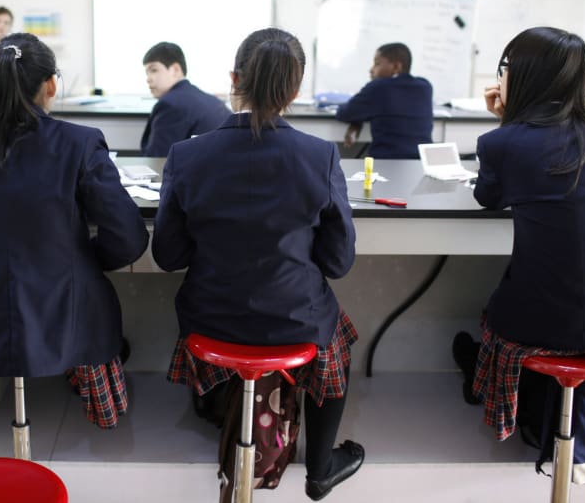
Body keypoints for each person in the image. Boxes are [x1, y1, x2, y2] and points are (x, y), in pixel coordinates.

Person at [153, 28, 364, 501]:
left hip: (209, 318)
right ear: (294, 91)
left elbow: (168, 257)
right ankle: (321, 466)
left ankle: (222, 412)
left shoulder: (187, 156)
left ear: (233, 79)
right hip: (292, 319)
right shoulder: (320, 156)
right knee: (339, 338)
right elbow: (338, 261)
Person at [0, 33, 148, 427]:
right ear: (51, 84)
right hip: (67, 319)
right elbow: (128, 238)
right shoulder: (80, 143)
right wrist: (84, 260)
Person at [460, 26, 585, 483]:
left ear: (517, 77)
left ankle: (490, 384)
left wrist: (505, 124)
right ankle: (584, 437)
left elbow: (489, 197)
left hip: (539, 324)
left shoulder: (502, 143)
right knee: (573, 305)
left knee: (495, 309)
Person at [335, 42, 432, 158]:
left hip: (385, 162)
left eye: (377, 64)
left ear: (396, 67)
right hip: (421, 162)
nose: (371, 69)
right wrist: (358, 120)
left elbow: (345, 113)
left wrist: (357, 121)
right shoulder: (425, 87)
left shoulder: (378, 87)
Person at [140, 41, 230, 157]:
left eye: (154, 70)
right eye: (147, 73)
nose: (148, 79)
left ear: (176, 70)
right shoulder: (213, 101)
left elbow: (157, 160)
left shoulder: (170, 104)